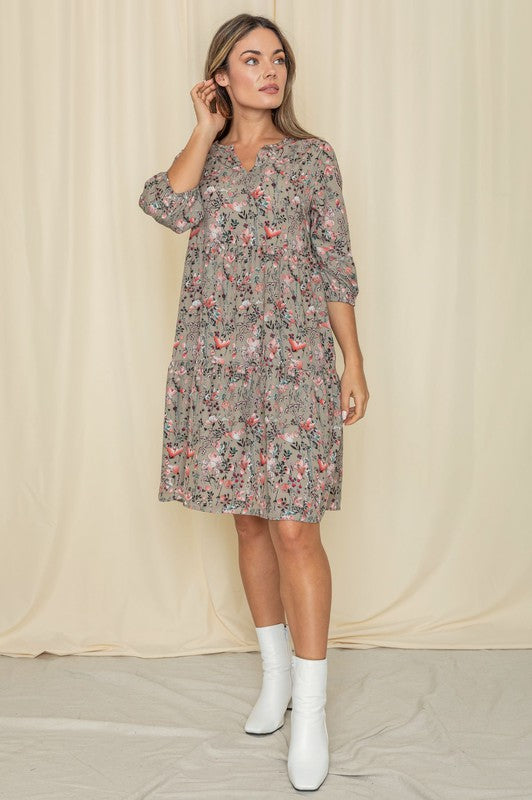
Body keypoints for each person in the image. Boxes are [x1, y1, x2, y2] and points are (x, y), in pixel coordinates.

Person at [138, 13, 369, 792]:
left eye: (278, 60)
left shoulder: (311, 160)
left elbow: (336, 263)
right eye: (251, 60)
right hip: (218, 364)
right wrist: (202, 130)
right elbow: (165, 208)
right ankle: (274, 679)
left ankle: (311, 709)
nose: (270, 71)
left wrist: (353, 359)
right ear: (222, 76)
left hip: (296, 365)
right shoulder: (206, 162)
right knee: (247, 518)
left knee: (296, 526)